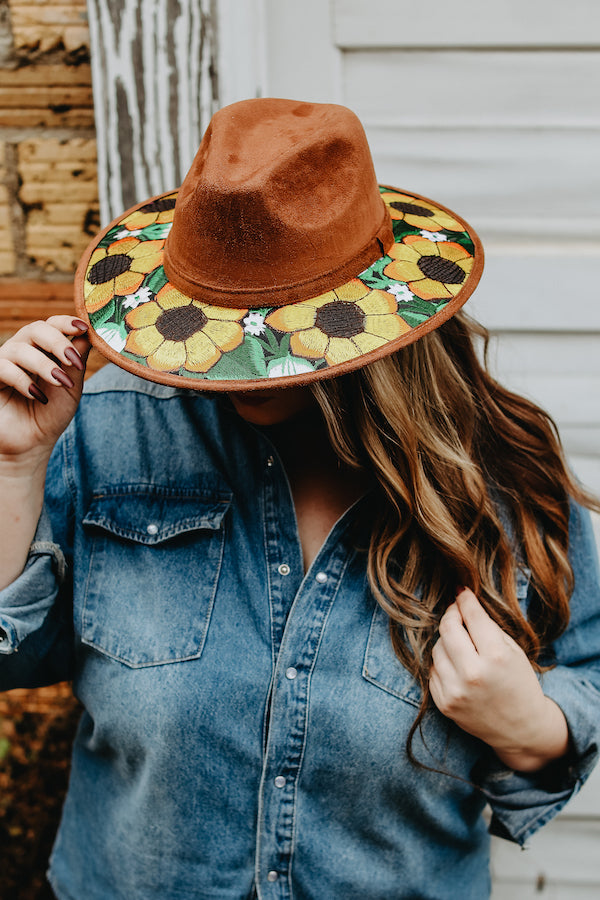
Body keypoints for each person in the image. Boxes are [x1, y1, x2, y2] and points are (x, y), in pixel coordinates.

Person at [0, 98, 599, 900]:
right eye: (212, 317)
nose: (232, 355)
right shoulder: (111, 436)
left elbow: (585, 678)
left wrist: (530, 726)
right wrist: (15, 466)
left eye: (268, 321)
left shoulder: (504, 482)